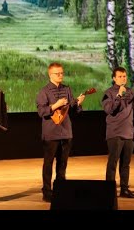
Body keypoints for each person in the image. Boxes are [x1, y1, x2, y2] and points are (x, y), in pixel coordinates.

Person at [36, 62, 86, 203]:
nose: (60, 76)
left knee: (62, 163)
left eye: (62, 73)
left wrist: (79, 103)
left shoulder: (67, 89)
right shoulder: (44, 91)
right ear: (50, 75)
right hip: (51, 133)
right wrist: (55, 106)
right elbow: (41, 111)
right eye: (57, 73)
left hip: (66, 132)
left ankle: (61, 189)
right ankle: (47, 191)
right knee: (48, 163)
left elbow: (74, 110)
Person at [101, 67, 134, 199]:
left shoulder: (131, 92)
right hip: (115, 133)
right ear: (114, 78)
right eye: (120, 76)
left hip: (129, 133)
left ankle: (124, 189)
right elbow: (110, 110)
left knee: (126, 164)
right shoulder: (108, 93)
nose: (123, 78)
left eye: (124, 76)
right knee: (113, 162)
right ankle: (109, 191)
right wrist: (119, 95)